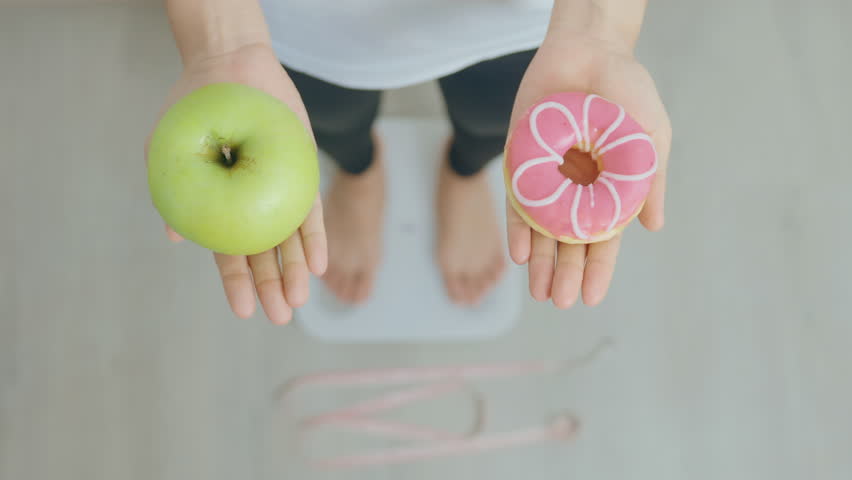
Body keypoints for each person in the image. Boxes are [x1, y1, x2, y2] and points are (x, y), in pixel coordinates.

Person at [148, 0, 672, 325]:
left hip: (530, 17)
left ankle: (466, 170)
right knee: (323, 114)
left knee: (497, 117)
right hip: (300, 20)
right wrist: (218, 33)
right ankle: (358, 167)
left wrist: (599, 26)